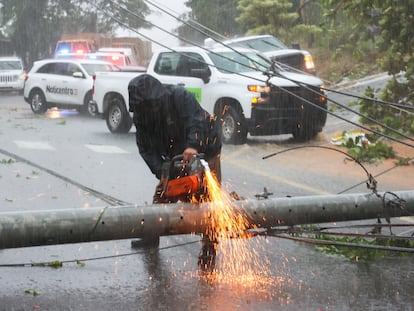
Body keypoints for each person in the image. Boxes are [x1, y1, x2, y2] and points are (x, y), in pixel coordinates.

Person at [128, 74, 222, 203]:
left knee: (205, 196)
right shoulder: (141, 116)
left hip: (204, 147)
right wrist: (162, 172)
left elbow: (196, 121)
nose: (152, 110)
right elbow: (146, 149)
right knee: (163, 198)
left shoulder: (180, 97)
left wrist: (193, 146)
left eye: (153, 106)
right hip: (174, 154)